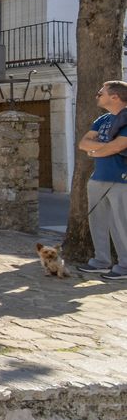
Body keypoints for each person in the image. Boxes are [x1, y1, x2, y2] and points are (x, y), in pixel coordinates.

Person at [75, 81, 127, 280]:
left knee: (120, 224)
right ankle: (101, 261)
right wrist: (98, 148)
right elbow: (83, 143)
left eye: (101, 92)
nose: (97, 95)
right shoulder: (103, 119)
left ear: (114, 97)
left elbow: (118, 146)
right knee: (97, 221)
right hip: (98, 177)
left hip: (120, 178)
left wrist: (95, 150)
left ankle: (125, 265)